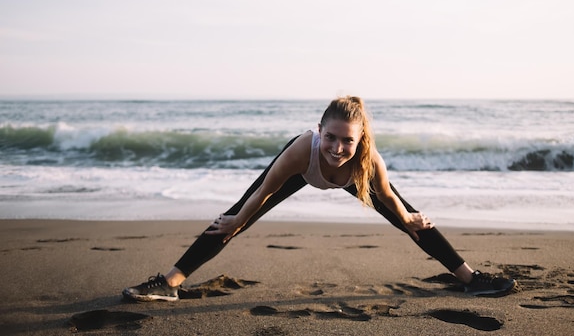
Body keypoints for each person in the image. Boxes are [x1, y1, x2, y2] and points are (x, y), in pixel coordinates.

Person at [123, 96, 516, 302]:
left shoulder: (366, 161)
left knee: (414, 220)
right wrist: (240, 220)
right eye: (330, 136)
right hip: (297, 174)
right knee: (234, 217)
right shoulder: (301, 150)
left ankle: (469, 279)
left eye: (348, 140)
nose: (337, 147)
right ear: (318, 131)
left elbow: (395, 204)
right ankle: (171, 282)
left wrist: (409, 221)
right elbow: (263, 192)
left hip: (354, 180)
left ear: (360, 141)